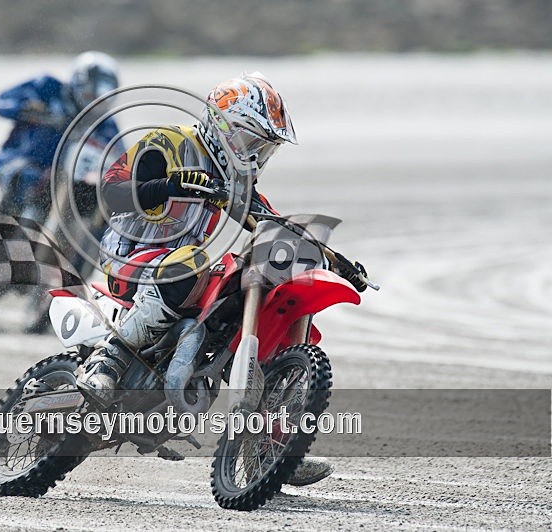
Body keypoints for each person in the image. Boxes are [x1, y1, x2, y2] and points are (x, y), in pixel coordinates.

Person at [76, 72, 368, 486]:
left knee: (245, 283)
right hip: (133, 253)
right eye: (251, 142)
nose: (256, 156)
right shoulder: (169, 142)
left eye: (265, 148)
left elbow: (273, 221)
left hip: (186, 266)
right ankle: (108, 361)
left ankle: (271, 446)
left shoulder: (236, 184)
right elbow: (110, 191)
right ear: (222, 126)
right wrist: (169, 184)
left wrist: (336, 261)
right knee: (191, 262)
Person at [0, 51, 121, 219]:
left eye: (102, 98)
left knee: (97, 197)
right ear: (79, 83)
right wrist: (29, 111)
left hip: (67, 175)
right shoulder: (46, 87)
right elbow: (1, 102)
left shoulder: (104, 122)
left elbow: (120, 155)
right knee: (23, 179)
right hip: (20, 160)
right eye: (91, 94)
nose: (95, 101)